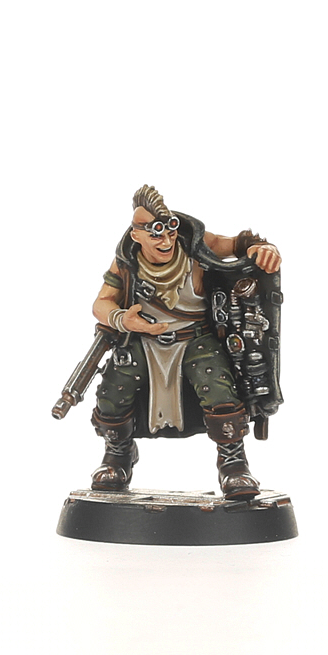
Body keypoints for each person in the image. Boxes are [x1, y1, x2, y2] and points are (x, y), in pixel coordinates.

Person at [90, 185, 281, 500]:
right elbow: (101, 303)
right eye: (156, 235)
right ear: (137, 235)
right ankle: (118, 453)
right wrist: (123, 320)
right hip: (143, 340)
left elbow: (234, 244)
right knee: (114, 389)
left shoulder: (194, 246)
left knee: (219, 387)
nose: (166, 242)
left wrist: (262, 248)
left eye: (170, 232)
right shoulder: (126, 262)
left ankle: (233, 461)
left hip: (195, 338)